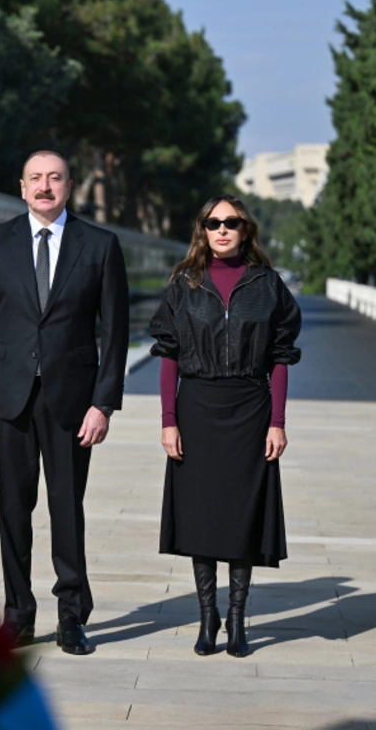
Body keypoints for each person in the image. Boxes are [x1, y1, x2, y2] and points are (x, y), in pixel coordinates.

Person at [0, 151, 129, 656]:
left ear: (70, 186)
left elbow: (115, 333)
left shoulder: (99, 245)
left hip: (72, 402)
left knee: (66, 509)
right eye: (35, 178)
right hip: (8, 399)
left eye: (54, 178)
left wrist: (103, 404)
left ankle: (71, 616)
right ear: (21, 187)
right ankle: (17, 614)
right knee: (13, 509)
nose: (44, 186)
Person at [148, 195, 302, 658]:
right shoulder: (185, 282)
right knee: (200, 516)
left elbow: (281, 358)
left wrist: (277, 422)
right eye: (212, 222)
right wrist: (169, 421)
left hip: (250, 410)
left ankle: (236, 619)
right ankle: (206, 617)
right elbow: (169, 356)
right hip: (197, 408)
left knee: (240, 516)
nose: (221, 230)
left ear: (245, 229)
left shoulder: (267, 284)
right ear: (203, 229)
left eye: (231, 222)